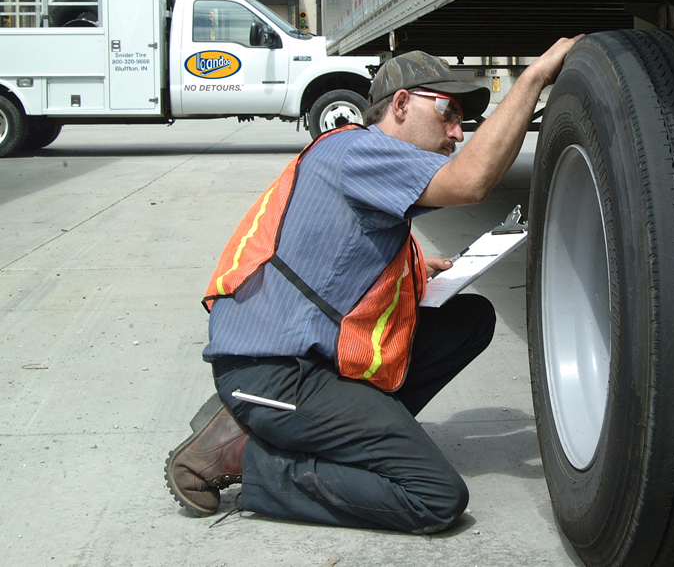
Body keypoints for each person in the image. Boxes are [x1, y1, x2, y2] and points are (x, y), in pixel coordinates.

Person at [164, 36, 581, 533]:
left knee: (471, 320)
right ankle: (250, 459)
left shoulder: (362, 161)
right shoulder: (361, 150)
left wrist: (414, 268)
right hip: (273, 375)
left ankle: (328, 432)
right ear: (401, 105)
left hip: (309, 364)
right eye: (448, 112)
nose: (457, 132)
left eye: (462, 121)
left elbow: (336, 255)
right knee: (435, 497)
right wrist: (533, 79)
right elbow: (470, 182)